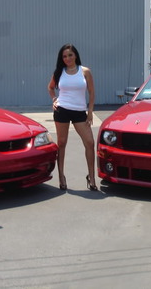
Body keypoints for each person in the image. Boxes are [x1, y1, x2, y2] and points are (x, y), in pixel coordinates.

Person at [47, 43, 98, 191]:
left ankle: (92, 177)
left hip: (79, 112)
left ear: (75, 55)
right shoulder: (59, 72)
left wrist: (90, 111)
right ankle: (61, 176)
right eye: (64, 56)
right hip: (62, 110)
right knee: (61, 143)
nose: (67, 58)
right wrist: (54, 100)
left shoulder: (85, 71)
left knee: (89, 142)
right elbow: (50, 87)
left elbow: (92, 92)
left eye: (70, 55)